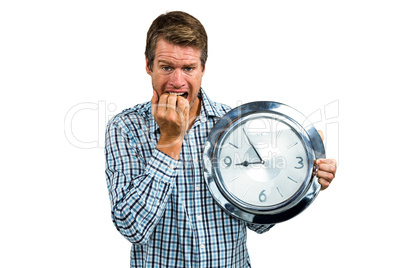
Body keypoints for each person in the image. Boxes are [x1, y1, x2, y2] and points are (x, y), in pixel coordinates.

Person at [105, 11, 337, 267]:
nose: (177, 81)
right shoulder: (125, 128)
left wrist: (306, 180)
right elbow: (131, 228)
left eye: (189, 68)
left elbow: (257, 221)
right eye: (166, 67)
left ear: (203, 68)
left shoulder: (233, 124)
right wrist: (170, 141)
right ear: (149, 66)